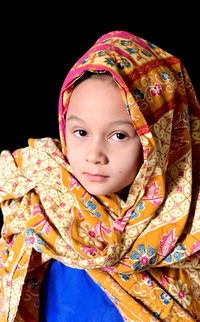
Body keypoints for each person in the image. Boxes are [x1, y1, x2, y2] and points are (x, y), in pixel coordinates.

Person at [0, 30, 199, 321]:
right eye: (80, 132)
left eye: (118, 135)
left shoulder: (189, 226)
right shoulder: (40, 198)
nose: (94, 154)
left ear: (162, 139)